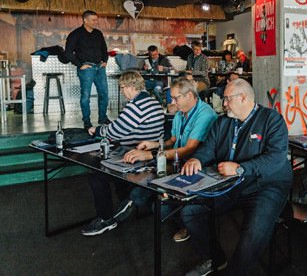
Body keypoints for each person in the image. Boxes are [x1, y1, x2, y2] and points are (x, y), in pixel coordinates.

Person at [180, 79, 292, 275]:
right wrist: (197, 159)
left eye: (227, 99)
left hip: (267, 185)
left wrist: (240, 168)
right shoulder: (222, 122)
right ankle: (216, 258)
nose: (223, 104)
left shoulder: (271, 119)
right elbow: (208, 149)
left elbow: (275, 159)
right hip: (231, 183)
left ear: (243, 97)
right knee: (191, 211)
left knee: (253, 232)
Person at [123, 77, 218, 242]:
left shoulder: (205, 114)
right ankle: (174, 211)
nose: (172, 102)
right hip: (175, 163)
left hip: (195, 166)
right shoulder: (181, 113)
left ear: (189, 95)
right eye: (172, 98)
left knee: (159, 207)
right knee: (137, 195)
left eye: (175, 98)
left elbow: (189, 149)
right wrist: (154, 145)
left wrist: (152, 155)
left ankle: (187, 222)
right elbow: (173, 142)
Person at [81, 71, 165, 236]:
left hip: (140, 157)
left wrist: (96, 129)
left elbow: (117, 130)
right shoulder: (151, 101)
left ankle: (106, 220)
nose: (121, 91)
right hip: (151, 154)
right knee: (110, 168)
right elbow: (125, 125)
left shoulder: (136, 105)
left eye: (122, 87)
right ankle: (126, 201)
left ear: (132, 87)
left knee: (97, 176)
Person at [65, 10, 110, 129]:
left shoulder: (98, 33)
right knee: (86, 96)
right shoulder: (75, 34)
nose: (96, 22)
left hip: (100, 67)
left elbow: (104, 49)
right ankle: (86, 121)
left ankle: (103, 118)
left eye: (97, 19)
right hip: (86, 68)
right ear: (85, 20)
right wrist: (80, 65)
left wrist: (105, 61)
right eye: (94, 20)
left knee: (104, 94)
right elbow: (68, 53)